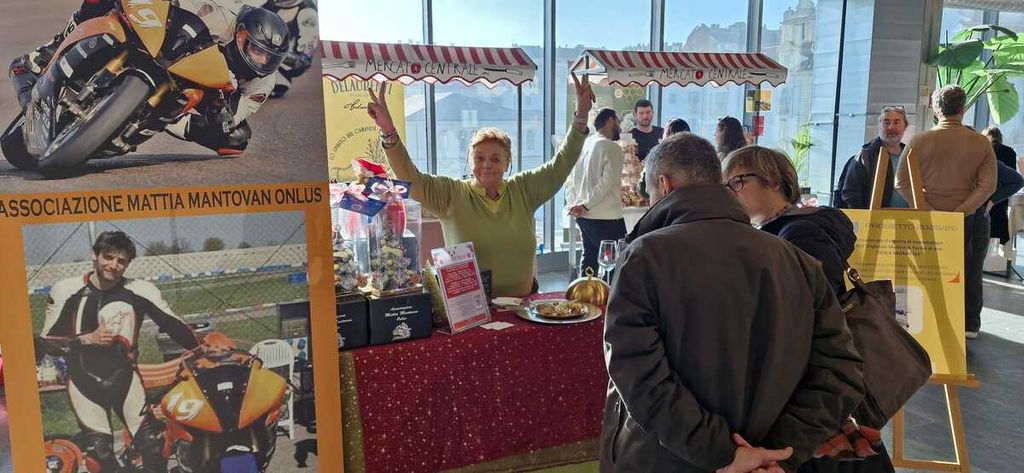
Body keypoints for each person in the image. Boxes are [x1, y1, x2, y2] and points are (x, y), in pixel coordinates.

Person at [600, 133, 865, 472]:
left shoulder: (644, 257)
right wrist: (778, 452)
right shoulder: (796, 261)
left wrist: (724, 453)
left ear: (664, 186)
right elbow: (840, 371)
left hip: (662, 459)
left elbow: (638, 376)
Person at [723, 146, 896, 473]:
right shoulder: (787, 229)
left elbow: (811, 311)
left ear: (774, 182)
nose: (730, 191)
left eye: (738, 181)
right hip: (817, 381)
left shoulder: (798, 233)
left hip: (811, 381)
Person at [366, 76, 595, 296]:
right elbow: (411, 178)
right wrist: (388, 131)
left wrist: (581, 116)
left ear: (507, 163)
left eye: (496, 158)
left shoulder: (523, 189)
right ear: (470, 161)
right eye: (479, 158)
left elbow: (560, 166)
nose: (486, 165)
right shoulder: (451, 194)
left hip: (523, 308)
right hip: (470, 312)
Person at [9, 0, 291, 155]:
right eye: (255, 49)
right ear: (241, 34)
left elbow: (236, 115)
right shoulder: (224, 15)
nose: (260, 59)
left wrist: (218, 113)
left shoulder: (262, 82)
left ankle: (142, 123)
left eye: (268, 57)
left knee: (237, 138)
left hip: (202, 89)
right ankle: (49, 51)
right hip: (173, 44)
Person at [35, 231, 200, 472]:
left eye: (121, 261)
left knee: (153, 445)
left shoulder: (140, 290)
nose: (113, 265)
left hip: (126, 381)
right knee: (101, 454)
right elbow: (47, 343)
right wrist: (86, 339)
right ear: (95, 255)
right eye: (108, 257)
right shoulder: (66, 290)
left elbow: (173, 324)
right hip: (84, 385)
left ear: (128, 264)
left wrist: (202, 346)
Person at [895, 85, 996, 339]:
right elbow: (988, 186)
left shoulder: (918, 141)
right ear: (963, 109)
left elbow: (901, 182)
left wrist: (927, 208)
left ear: (935, 110)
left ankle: (926, 322)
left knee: (926, 272)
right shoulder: (981, 143)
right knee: (968, 272)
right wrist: (961, 211)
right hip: (967, 220)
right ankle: (966, 325)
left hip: (927, 220)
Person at [567, 108, 626, 276]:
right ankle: (610, 293)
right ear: (610, 120)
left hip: (584, 216)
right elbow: (607, 184)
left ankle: (584, 292)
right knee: (616, 264)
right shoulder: (612, 147)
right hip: (606, 217)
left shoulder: (585, 143)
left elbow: (572, 178)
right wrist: (585, 205)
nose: (620, 127)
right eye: (618, 122)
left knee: (589, 259)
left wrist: (577, 204)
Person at [837, 107, 910, 209]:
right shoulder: (865, 157)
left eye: (896, 122)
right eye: (886, 123)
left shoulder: (911, 156)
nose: (891, 127)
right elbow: (851, 194)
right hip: (874, 218)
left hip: (910, 217)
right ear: (879, 126)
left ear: (905, 126)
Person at [255, 0, 320, 98]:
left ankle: (276, 78)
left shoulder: (307, 12)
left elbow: (304, 58)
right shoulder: (270, 5)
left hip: (292, 59)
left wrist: (268, 52)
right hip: (271, 53)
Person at [982, 127, 1020, 244]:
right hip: (1001, 195)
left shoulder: (984, 150)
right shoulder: (1010, 152)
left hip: (983, 195)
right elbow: (1013, 176)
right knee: (998, 225)